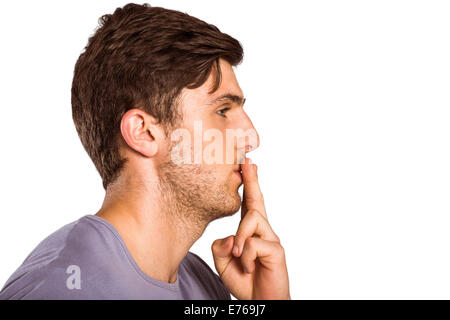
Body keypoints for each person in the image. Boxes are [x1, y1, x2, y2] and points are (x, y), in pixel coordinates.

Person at [0, 3, 290, 300]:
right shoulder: (61, 290)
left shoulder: (203, 282)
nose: (251, 138)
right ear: (143, 132)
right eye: (223, 110)